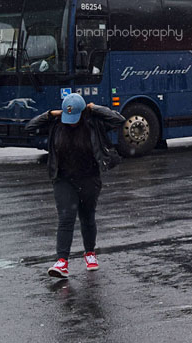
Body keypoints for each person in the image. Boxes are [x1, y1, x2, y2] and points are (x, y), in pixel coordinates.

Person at [26, 93, 125, 278]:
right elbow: (30, 127)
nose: (70, 122)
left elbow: (119, 120)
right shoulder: (57, 123)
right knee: (66, 218)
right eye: (67, 116)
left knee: (87, 216)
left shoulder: (94, 122)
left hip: (89, 177)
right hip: (63, 178)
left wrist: (95, 108)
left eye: (74, 117)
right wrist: (50, 114)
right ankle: (62, 261)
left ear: (83, 113)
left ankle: (90, 253)